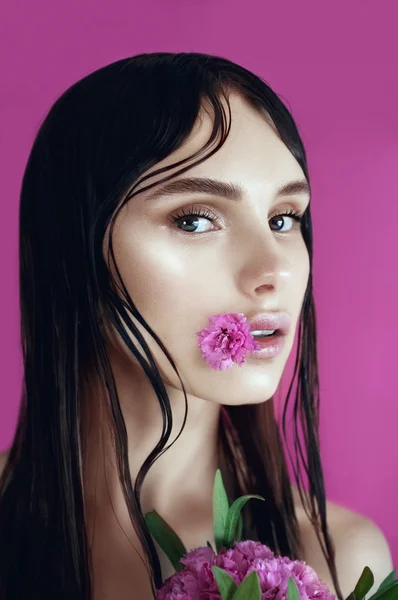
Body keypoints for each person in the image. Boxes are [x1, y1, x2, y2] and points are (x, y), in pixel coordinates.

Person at [0, 52, 393, 600]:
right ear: (72, 248)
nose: (273, 269)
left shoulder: (339, 560)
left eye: (284, 219)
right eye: (196, 219)